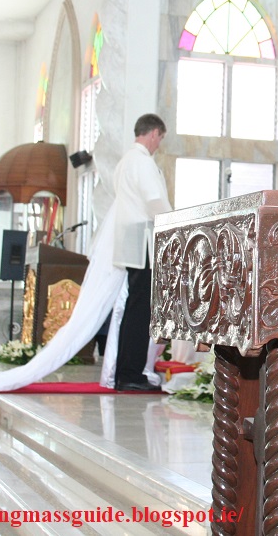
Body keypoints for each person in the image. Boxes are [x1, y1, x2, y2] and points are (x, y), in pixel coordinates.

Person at [112, 113, 173, 391]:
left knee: (134, 308)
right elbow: (154, 201)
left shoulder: (125, 161)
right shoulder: (143, 162)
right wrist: (175, 223)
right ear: (153, 133)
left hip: (132, 239)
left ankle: (127, 371)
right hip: (146, 242)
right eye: (160, 138)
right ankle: (131, 375)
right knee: (140, 311)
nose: (158, 144)